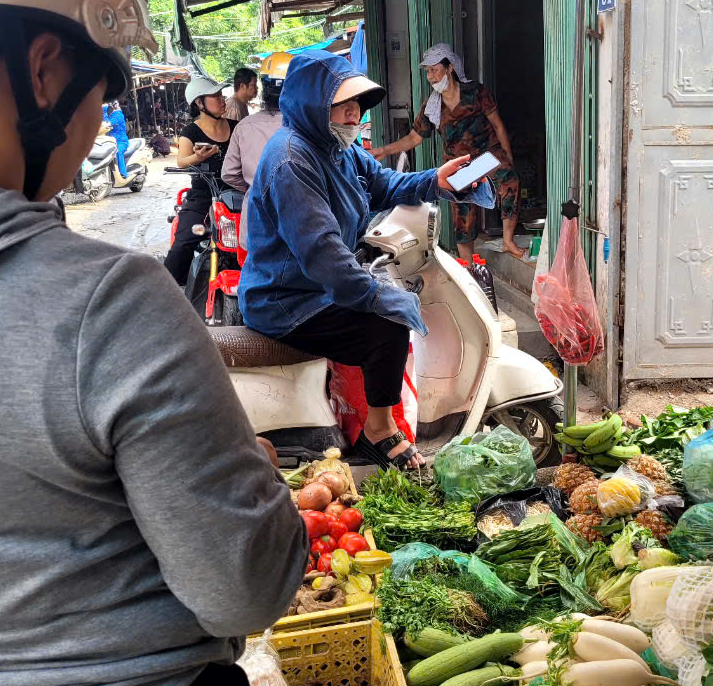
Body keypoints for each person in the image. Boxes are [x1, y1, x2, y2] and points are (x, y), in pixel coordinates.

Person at [0, 0, 304, 686]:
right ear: (42, 71)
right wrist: (251, 483)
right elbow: (246, 589)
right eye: (101, 105)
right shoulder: (109, 304)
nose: (94, 133)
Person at [240, 50, 494, 469]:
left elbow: (385, 184)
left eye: (358, 103)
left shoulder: (339, 148)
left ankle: (373, 423)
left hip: (316, 289)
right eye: (342, 103)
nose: (353, 113)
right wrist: (379, 296)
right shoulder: (291, 159)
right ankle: (378, 430)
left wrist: (436, 179)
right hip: (286, 300)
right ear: (311, 104)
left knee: (388, 304)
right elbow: (323, 254)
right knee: (388, 318)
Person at [371, 43, 523, 261]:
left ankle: (508, 241)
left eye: (434, 70)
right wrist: (385, 150)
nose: (430, 77)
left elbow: (498, 125)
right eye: (427, 72)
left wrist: (507, 157)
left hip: (487, 156)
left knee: (509, 181)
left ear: (449, 68)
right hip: (459, 164)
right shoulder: (432, 106)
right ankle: (468, 268)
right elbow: (414, 137)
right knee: (464, 215)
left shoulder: (476, 92)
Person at [165, 75, 238, 285]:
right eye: (215, 96)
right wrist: (199, 157)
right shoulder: (190, 132)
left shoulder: (237, 127)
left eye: (221, 95)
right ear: (199, 103)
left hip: (237, 196)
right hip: (203, 197)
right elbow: (181, 161)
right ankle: (169, 289)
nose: (222, 100)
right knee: (182, 244)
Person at [223, 52, 290, 253]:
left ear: (264, 89)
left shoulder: (244, 127)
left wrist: (256, 188)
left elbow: (229, 173)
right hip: (300, 229)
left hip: (256, 226)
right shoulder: (308, 127)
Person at [103, 99, 129, 177]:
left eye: (109, 106)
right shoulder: (112, 115)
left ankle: (123, 173)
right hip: (111, 141)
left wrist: (104, 110)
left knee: (117, 151)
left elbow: (107, 123)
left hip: (121, 141)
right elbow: (104, 122)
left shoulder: (118, 115)